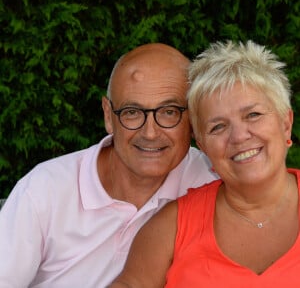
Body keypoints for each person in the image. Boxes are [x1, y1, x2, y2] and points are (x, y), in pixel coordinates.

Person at [0, 43, 217, 287]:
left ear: (193, 117)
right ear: (108, 116)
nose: (150, 132)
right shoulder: (44, 190)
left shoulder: (211, 182)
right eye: (132, 112)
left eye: (169, 112)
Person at [109, 40, 300, 287]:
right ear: (202, 145)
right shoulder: (170, 228)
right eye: (218, 126)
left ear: (286, 123)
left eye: (253, 115)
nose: (239, 136)